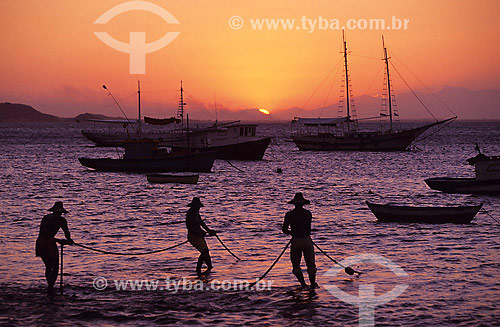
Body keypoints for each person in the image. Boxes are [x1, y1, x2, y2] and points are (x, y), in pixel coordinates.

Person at [35, 201, 74, 293]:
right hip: (49, 243)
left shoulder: (45, 218)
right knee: (55, 267)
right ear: (61, 212)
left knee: (48, 266)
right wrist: (69, 240)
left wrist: (57, 240)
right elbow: (66, 233)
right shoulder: (61, 220)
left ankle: (50, 286)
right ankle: (50, 287)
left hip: (40, 242)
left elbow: (44, 233)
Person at [282, 192, 318, 289]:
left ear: (294, 204)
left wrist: (291, 233)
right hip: (307, 240)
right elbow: (308, 228)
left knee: (296, 265)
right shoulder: (308, 214)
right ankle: (313, 284)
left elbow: (284, 230)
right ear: (303, 204)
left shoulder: (289, 215)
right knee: (310, 264)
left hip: (296, 241)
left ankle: (303, 285)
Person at [185, 197, 216, 276]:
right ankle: (198, 270)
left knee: (206, 252)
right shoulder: (190, 214)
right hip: (193, 236)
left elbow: (201, 223)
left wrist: (209, 231)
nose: (199, 208)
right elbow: (190, 227)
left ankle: (209, 268)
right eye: (198, 206)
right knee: (204, 251)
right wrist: (200, 232)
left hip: (198, 235)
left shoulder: (195, 213)